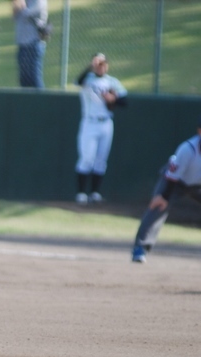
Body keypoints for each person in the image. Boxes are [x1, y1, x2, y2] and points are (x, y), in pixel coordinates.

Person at [131, 117, 201, 263]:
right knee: (159, 205)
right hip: (174, 182)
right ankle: (141, 247)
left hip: (197, 184)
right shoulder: (188, 149)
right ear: (199, 131)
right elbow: (172, 176)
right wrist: (163, 196)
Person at [74, 53, 127, 205]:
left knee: (101, 160)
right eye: (98, 63)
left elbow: (125, 101)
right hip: (89, 122)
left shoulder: (112, 82)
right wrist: (90, 66)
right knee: (87, 158)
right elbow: (78, 81)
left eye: (103, 63)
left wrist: (114, 99)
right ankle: (81, 194)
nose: (101, 66)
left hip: (106, 123)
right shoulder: (88, 80)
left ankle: (95, 193)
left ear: (107, 65)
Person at [12, 0, 48, 89]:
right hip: (22, 44)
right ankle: (25, 102)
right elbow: (15, 16)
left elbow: (28, 14)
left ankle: (41, 102)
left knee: (34, 79)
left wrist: (20, 5)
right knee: (23, 80)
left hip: (33, 43)